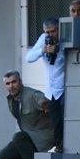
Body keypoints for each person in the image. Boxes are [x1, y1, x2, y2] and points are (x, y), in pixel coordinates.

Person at [0, 71, 53, 159]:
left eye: (14, 82)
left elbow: (51, 108)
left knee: (18, 136)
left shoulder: (33, 95)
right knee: (4, 155)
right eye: (7, 84)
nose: (11, 86)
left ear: (20, 82)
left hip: (44, 138)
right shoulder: (11, 99)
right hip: (29, 137)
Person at [25, 17, 64, 151]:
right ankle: (58, 148)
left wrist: (58, 49)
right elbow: (29, 58)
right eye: (47, 32)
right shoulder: (44, 38)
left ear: (59, 29)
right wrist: (43, 50)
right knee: (55, 122)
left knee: (66, 122)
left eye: (53, 32)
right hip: (51, 90)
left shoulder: (66, 37)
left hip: (66, 88)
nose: (50, 35)